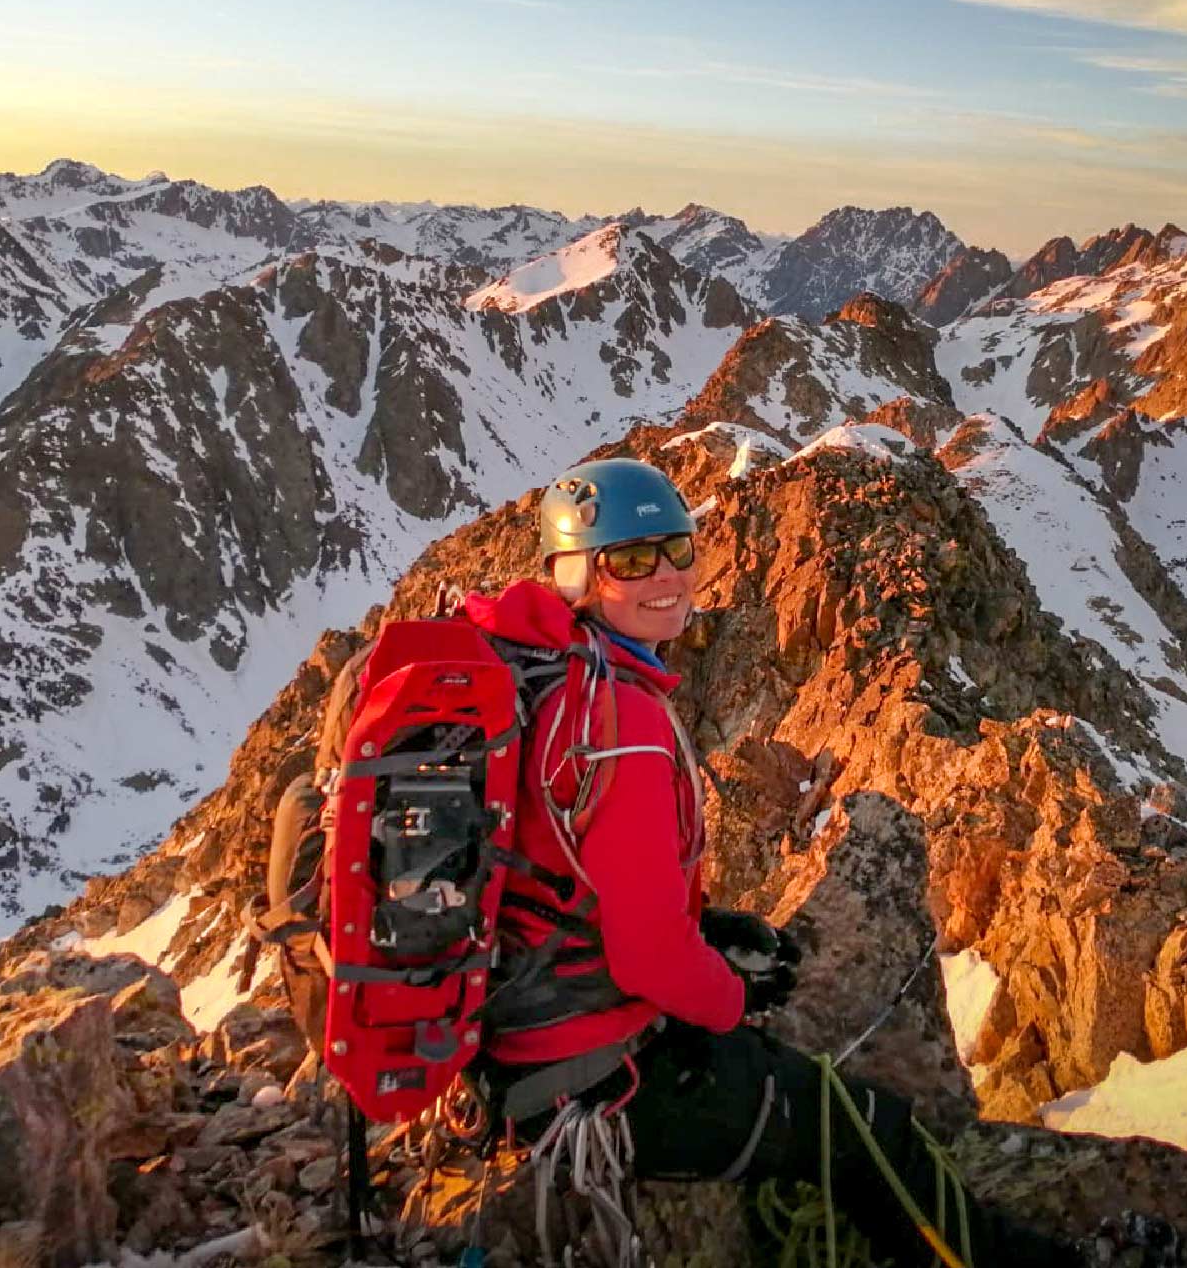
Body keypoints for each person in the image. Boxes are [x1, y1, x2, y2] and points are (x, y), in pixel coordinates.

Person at [452, 456, 1094, 1266]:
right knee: (865, 1131)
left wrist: (703, 927)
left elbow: (562, 873)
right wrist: (729, 999)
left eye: (678, 548)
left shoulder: (539, 676)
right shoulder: (621, 724)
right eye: (629, 559)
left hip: (516, 1055)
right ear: (570, 572)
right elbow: (649, 956)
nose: (667, 576)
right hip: (597, 1084)